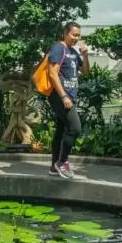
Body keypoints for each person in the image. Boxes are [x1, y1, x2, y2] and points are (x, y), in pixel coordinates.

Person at [47, 22, 89, 179]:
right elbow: (52, 73)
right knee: (75, 128)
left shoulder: (72, 51)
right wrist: (64, 96)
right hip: (60, 96)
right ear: (65, 33)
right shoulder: (59, 48)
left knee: (60, 131)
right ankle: (62, 162)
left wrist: (85, 55)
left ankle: (53, 166)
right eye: (73, 34)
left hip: (70, 96)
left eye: (78, 35)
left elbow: (84, 71)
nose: (76, 38)